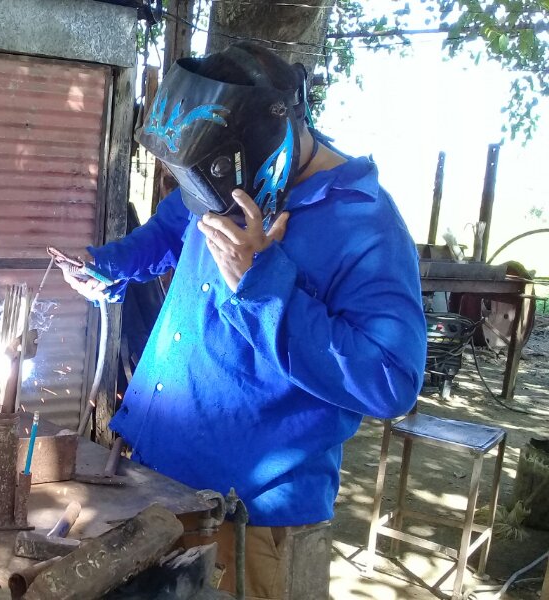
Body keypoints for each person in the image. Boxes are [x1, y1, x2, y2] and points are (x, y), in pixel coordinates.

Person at [63, 42, 427, 599]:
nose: (207, 204)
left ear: (268, 136)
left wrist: (261, 283)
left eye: (210, 187)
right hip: (153, 483)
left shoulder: (365, 225)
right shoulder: (220, 178)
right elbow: (170, 230)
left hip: (249, 517)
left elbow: (390, 380)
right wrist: (112, 266)